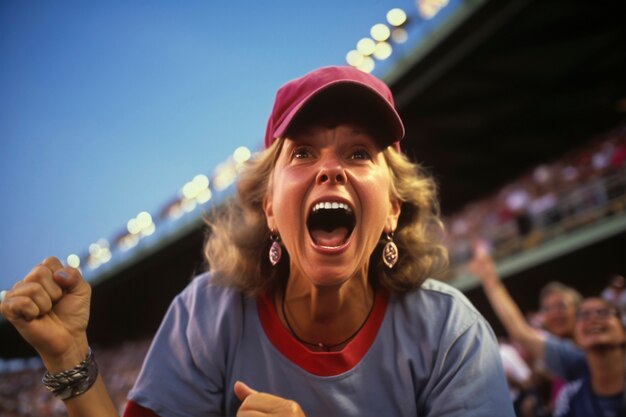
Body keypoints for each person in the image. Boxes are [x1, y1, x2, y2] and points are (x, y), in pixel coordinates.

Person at [0, 66, 515, 417]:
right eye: (303, 153)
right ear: (269, 206)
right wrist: (69, 358)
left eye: (359, 154)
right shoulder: (206, 314)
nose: (330, 169)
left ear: (392, 210)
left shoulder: (452, 332)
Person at [551, 297, 626, 417]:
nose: (592, 319)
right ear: (577, 337)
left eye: (603, 312)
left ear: (623, 331)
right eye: (583, 316)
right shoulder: (569, 397)